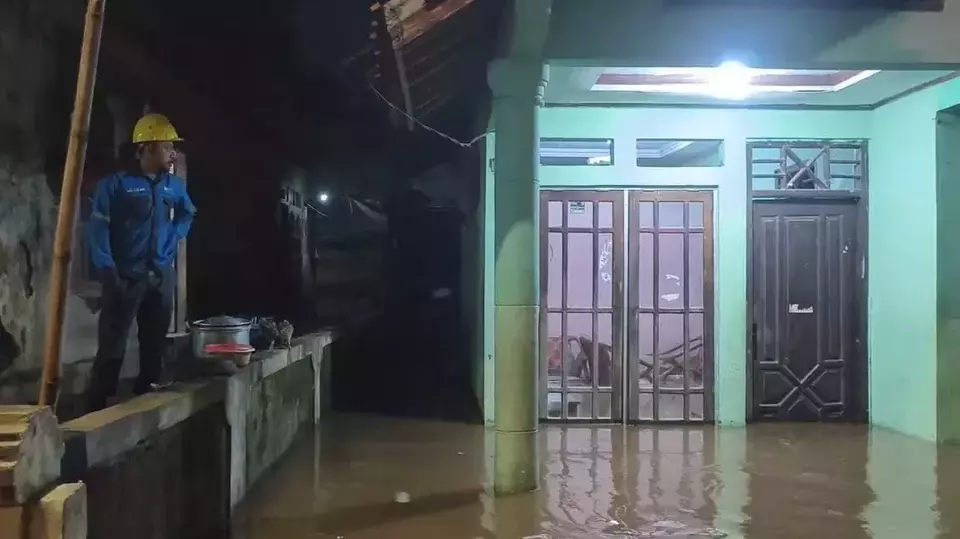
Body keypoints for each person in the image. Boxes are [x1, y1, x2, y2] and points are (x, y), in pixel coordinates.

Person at [84, 113, 196, 411]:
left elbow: (188, 213)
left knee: (154, 343)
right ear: (146, 147)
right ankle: (95, 406)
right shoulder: (115, 185)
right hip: (124, 275)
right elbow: (97, 229)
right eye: (166, 146)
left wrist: (175, 237)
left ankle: (147, 395)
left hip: (160, 275)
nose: (173, 152)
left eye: (173, 147)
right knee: (113, 345)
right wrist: (107, 269)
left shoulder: (174, 186)